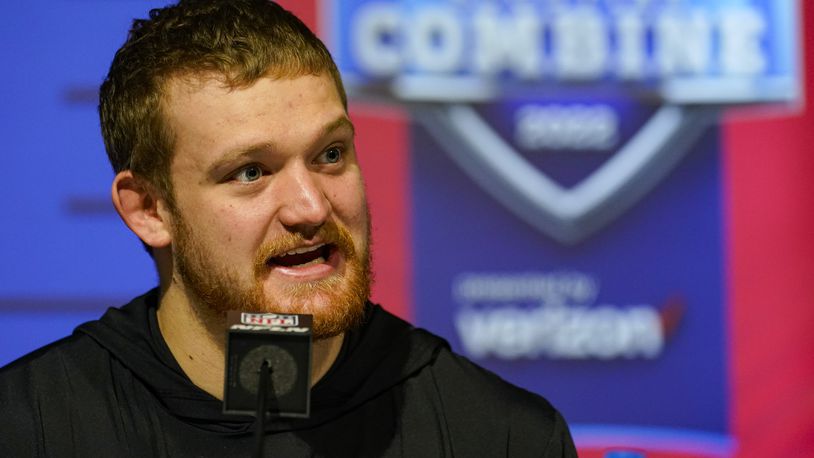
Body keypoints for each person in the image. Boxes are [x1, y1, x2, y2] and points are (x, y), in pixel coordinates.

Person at [0, 1, 577, 456]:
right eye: (251, 172)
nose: (310, 208)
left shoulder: (503, 436)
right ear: (149, 210)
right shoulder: (29, 427)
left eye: (330, 154)